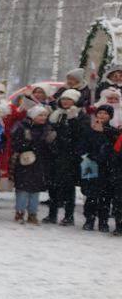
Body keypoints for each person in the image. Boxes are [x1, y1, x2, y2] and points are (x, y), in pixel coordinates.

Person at [10, 106, 54, 224]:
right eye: (40, 115)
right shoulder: (22, 127)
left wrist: (49, 142)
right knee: (23, 189)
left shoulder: (47, 129)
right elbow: (16, 144)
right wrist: (27, 144)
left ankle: (32, 214)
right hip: (25, 162)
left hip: (40, 163)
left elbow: (50, 148)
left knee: (35, 190)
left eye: (45, 115)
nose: (43, 118)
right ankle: (19, 212)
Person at [47, 90, 84, 225]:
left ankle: (69, 216)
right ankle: (52, 214)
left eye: (69, 99)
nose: (65, 102)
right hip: (54, 154)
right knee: (52, 186)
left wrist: (73, 119)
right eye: (64, 99)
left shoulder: (79, 114)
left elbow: (79, 134)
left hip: (70, 156)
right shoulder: (56, 114)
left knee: (68, 187)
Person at [80, 105, 116, 232]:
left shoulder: (112, 131)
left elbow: (113, 148)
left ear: (110, 116)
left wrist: (104, 132)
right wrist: (88, 157)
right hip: (90, 165)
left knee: (105, 196)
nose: (102, 115)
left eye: (105, 113)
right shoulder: (89, 130)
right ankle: (89, 220)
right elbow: (82, 146)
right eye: (100, 113)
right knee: (91, 195)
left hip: (107, 167)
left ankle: (103, 221)